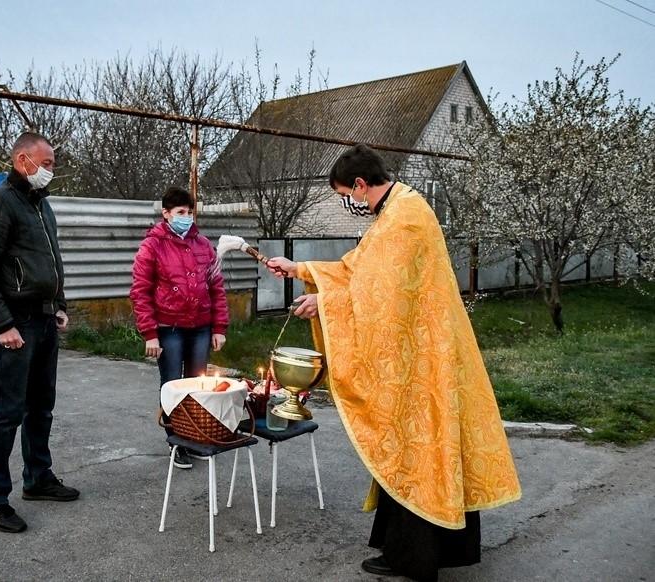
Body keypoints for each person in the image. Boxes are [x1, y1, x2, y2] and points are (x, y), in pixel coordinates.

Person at [265, 144, 521, 581]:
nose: (349, 204)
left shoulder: (404, 217)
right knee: (416, 446)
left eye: (345, 195)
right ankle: (414, 548)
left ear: (360, 185)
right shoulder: (399, 209)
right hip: (421, 349)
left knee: (415, 447)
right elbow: (360, 271)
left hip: (421, 356)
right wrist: (299, 269)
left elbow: (384, 298)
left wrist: (324, 302)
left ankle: (413, 557)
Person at [0, 131, 79, 534]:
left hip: (44, 321)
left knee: (41, 406)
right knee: (6, 412)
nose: (50, 171)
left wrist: (59, 304)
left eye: (52, 164)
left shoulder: (40, 204)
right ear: (22, 160)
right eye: (45, 164)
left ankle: (38, 478)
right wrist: (3, 325)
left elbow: (52, 262)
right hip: (17, 324)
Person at [129, 186, 229, 469]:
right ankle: (176, 441)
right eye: (180, 212)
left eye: (190, 212)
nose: (186, 217)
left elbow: (217, 288)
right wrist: (150, 334)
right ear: (166, 213)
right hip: (168, 327)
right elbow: (140, 291)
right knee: (173, 385)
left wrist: (219, 327)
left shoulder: (204, 246)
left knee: (198, 384)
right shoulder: (152, 246)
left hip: (201, 326)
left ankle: (194, 436)